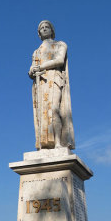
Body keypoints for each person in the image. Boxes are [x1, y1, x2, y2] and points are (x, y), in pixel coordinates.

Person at [29, 20, 75, 150]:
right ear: (39, 33)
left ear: (52, 30)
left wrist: (41, 66)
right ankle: (44, 143)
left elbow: (60, 60)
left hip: (54, 79)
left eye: (46, 27)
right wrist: (32, 70)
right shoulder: (36, 52)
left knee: (54, 109)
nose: (44, 29)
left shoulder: (60, 45)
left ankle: (58, 143)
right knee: (42, 114)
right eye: (41, 28)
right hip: (41, 83)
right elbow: (31, 69)